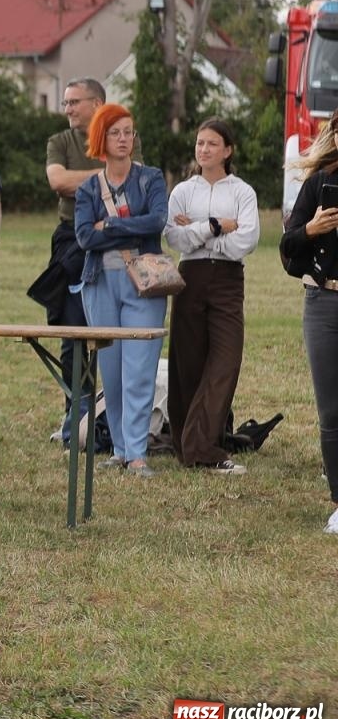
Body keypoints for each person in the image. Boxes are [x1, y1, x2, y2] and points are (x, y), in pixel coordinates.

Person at [74, 103, 168, 478]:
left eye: (129, 131)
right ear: (101, 138)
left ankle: (138, 454)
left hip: (143, 283)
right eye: (116, 132)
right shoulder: (87, 188)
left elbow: (157, 221)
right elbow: (83, 237)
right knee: (111, 372)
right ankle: (119, 447)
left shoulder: (151, 179)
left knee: (140, 369)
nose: (124, 139)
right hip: (99, 285)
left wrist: (109, 225)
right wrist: (128, 227)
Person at [44, 78, 140, 443]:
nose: (67, 109)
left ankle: (112, 416)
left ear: (97, 102)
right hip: (72, 238)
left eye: (74, 102)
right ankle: (76, 418)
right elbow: (58, 182)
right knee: (73, 330)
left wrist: (88, 180)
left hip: (118, 241)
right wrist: (107, 175)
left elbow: (135, 180)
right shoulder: (60, 142)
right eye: (65, 103)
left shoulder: (123, 130)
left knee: (112, 332)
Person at [163, 119, 258, 473]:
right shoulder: (183, 192)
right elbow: (175, 239)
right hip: (190, 277)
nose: (204, 149)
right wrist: (216, 225)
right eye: (200, 143)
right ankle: (189, 445)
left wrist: (198, 231)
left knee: (225, 361)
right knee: (187, 363)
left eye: (212, 144)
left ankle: (201, 446)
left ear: (228, 150)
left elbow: (244, 242)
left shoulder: (243, 192)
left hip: (229, 281)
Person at [279, 111, 338, 534]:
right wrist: (312, 230)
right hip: (324, 302)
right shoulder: (319, 183)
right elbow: (287, 246)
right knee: (331, 411)